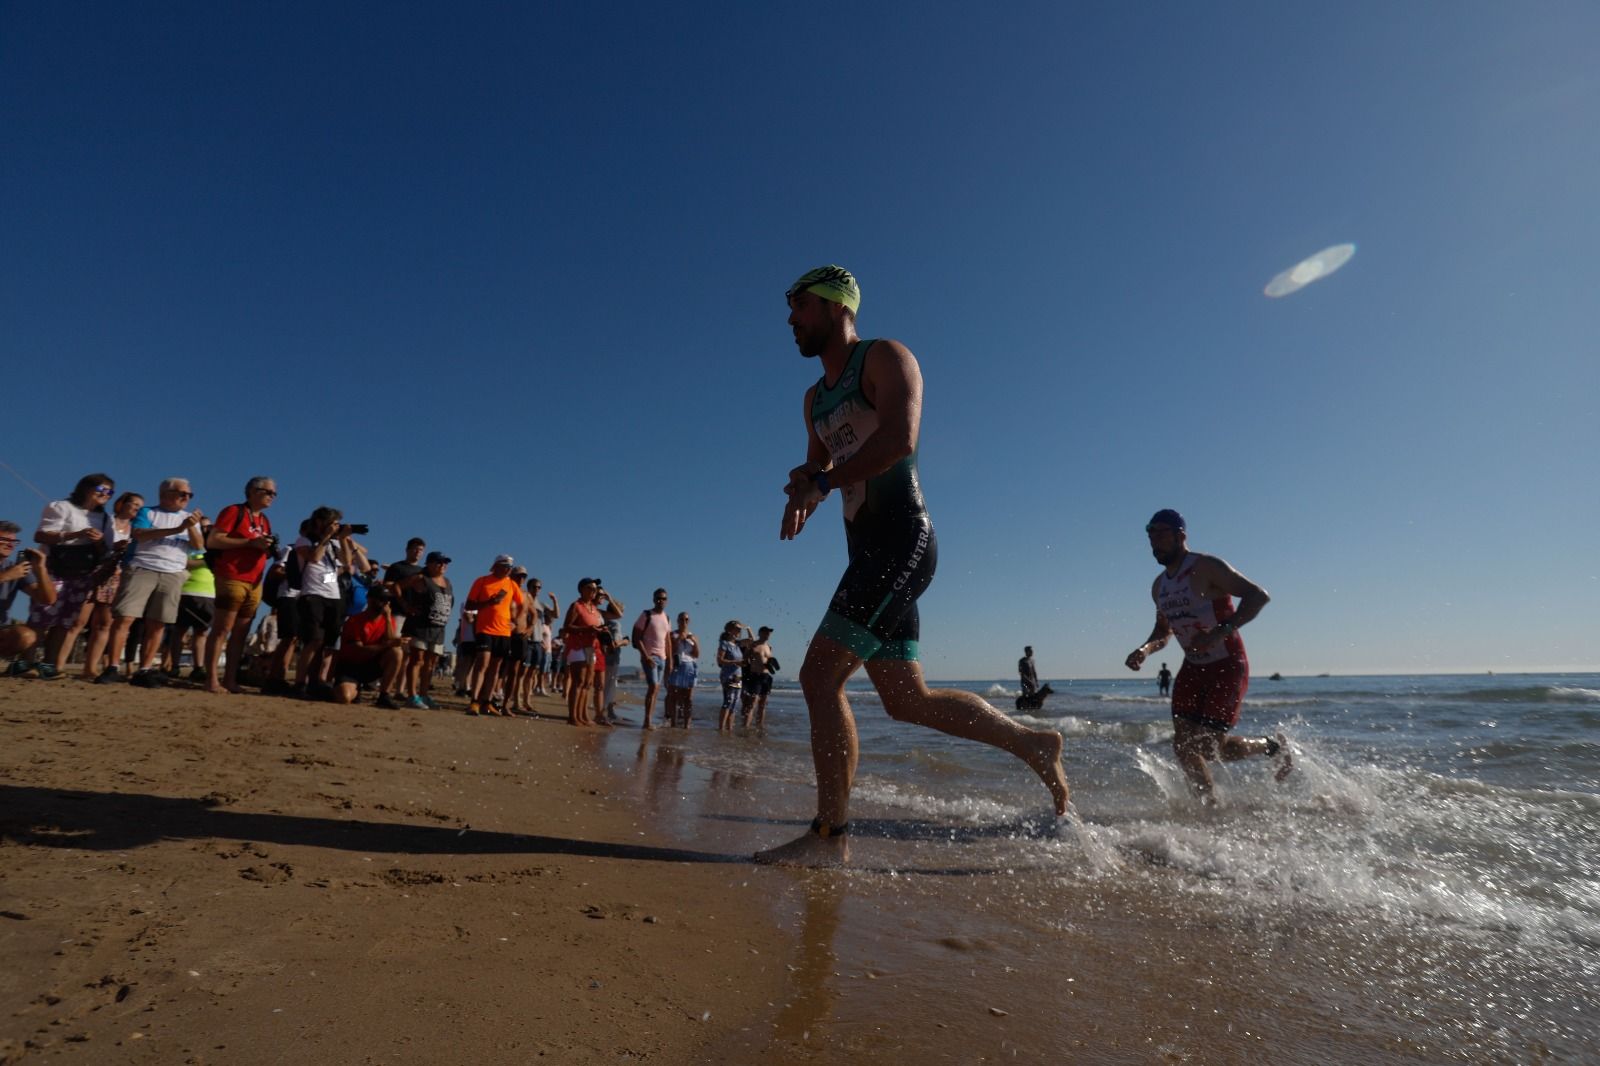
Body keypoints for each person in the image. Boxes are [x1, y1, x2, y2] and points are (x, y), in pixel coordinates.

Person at [759, 265, 1069, 866]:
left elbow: (898, 439)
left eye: (798, 305)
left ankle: (829, 839)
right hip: (866, 552)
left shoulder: (885, 357)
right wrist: (806, 486)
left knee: (819, 677)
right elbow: (822, 469)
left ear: (833, 304)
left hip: (902, 543)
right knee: (908, 700)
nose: (791, 319)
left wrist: (820, 479)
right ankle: (1034, 743)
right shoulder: (813, 400)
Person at [1124, 509, 1289, 800]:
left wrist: (1217, 633)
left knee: (1213, 748)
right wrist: (1144, 650)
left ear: (1181, 536)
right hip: (1192, 669)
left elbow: (1257, 596)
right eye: (1151, 536)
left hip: (1226, 664)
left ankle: (1271, 746)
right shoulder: (1159, 586)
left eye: (1161, 534)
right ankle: (1208, 805)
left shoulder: (1206, 567)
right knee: (1183, 745)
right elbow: (1163, 631)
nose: (1155, 542)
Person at [105, 479, 206, 684]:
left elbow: (199, 546)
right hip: (143, 568)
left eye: (189, 494)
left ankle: (144, 669)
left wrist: (191, 527)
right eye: (182, 493)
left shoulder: (189, 519)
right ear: (165, 494)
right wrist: (177, 529)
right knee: (125, 617)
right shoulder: (148, 512)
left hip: (173, 572)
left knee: (158, 622)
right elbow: (140, 535)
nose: (186, 497)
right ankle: (112, 667)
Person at [29, 473, 118, 679]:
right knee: (42, 615)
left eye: (110, 492)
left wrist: (97, 542)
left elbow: (106, 550)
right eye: (101, 490)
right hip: (53, 568)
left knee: (65, 620)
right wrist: (76, 534)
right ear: (85, 488)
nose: (106, 495)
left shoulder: (104, 518)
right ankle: (28, 662)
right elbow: (40, 535)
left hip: (83, 572)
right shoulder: (61, 507)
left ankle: (49, 665)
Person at [202, 476, 278, 694]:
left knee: (241, 632)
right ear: (253, 491)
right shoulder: (233, 512)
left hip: (255, 580)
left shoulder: (264, 520)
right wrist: (250, 542)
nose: (272, 497)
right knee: (222, 628)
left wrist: (267, 548)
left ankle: (230, 679)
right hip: (231, 575)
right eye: (268, 492)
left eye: (274, 493)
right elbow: (214, 540)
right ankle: (211, 679)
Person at [291, 507, 354, 699]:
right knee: (313, 640)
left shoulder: (334, 543)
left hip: (332, 595)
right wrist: (326, 537)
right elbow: (314, 558)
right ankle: (300, 683)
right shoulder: (305, 540)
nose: (335, 526)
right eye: (333, 522)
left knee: (326, 643)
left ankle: (316, 682)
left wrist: (342, 539)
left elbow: (347, 563)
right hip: (312, 594)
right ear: (320, 522)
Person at [78, 491, 141, 681]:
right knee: (78, 621)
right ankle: (55, 664)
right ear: (121, 503)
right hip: (93, 571)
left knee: (104, 624)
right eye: (134, 504)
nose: (137, 509)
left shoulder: (136, 529)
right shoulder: (106, 521)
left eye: (140, 506)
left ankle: (90, 667)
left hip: (117, 576)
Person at [464, 555, 525, 716]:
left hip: (504, 631)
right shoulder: (482, 581)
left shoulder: (511, 584)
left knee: (496, 668)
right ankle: (474, 701)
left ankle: (487, 702)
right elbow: (469, 604)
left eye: (510, 567)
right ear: (496, 566)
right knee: (482, 663)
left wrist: (515, 621)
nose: (508, 569)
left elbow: (523, 605)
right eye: (505, 566)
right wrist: (487, 603)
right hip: (484, 629)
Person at [331, 586, 405, 707]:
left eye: (387, 600)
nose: (385, 603)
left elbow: (390, 641)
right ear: (370, 600)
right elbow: (358, 650)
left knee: (396, 652)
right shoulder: (355, 621)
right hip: (351, 666)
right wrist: (386, 645)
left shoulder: (388, 619)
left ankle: (384, 695)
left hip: (371, 665)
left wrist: (387, 619)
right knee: (344, 697)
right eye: (382, 599)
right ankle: (347, 688)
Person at [398, 551, 453, 709]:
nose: (442, 565)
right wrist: (405, 605)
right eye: (438, 562)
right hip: (421, 625)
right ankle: (412, 695)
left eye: (445, 562)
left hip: (439, 627)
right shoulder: (421, 578)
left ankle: (424, 694)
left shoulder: (447, 582)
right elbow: (397, 586)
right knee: (417, 660)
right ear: (429, 564)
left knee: (431, 663)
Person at [0, 521, 55, 664]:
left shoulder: (15, 568)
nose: (11, 545)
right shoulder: (12, 571)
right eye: (5, 540)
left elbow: (47, 600)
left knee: (26, 636)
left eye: (14, 541)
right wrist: (5, 576)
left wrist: (41, 570)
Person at [560, 577, 606, 726]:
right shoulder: (576, 606)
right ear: (581, 590)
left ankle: (582, 715)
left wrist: (600, 631)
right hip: (577, 646)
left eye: (594, 589)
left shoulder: (593, 608)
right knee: (578, 681)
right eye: (590, 588)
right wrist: (587, 629)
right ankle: (572, 716)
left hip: (590, 647)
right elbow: (567, 626)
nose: (593, 592)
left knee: (587, 682)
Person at [632, 588, 672, 729]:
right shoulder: (646, 615)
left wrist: (670, 661)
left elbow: (667, 641)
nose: (661, 601)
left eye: (663, 598)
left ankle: (649, 720)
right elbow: (636, 638)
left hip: (663, 657)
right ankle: (647, 721)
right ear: (654, 599)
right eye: (658, 598)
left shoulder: (667, 618)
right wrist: (646, 656)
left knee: (656, 689)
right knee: (653, 686)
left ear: (667, 601)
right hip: (650, 656)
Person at [739, 625, 778, 728]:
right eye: (765, 632)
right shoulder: (753, 646)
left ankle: (759, 726)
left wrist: (770, 664)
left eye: (769, 633)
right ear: (760, 633)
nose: (768, 634)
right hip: (755, 676)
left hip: (766, 676)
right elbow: (744, 660)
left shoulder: (768, 647)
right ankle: (745, 727)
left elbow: (768, 661)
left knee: (763, 704)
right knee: (752, 703)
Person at [666, 611, 699, 728]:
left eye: (686, 619)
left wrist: (694, 642)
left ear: (689, 621)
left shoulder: (693, 635)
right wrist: (679, 639)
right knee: (674, 696)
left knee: (688, 698)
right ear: (677, 621)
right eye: (681, 619)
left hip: (690, 665)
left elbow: (696, 654)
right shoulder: (672, 634)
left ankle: (687, 724)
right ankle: (673, 723)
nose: (683, 622)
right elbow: (669, 650)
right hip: (677, 665)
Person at [715, 620, 744, 732]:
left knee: (735, 701)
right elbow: (720, 660)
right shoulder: (724, 644)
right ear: (729, 630)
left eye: (740, 629)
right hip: (728, 675)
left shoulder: (737, 644)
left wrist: (747, 628)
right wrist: (735, 662)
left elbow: (752, 640)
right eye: (737, 628)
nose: (739, 631)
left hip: (737, 675)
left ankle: (729, 728)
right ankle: (721, 728)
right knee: (728, 700)